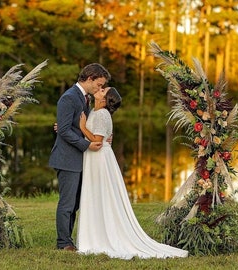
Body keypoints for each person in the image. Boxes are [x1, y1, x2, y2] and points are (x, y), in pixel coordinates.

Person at [76, 87, 188, 259]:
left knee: (101, 195)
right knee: (96, 194)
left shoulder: (102, 114)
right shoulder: (95, 110)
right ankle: (94, 232)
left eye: (103, 90)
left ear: (105, 99)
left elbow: (98, 141)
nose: (100, 89)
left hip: (99, 160)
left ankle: (101, 235)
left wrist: (83, 128)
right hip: (94, 158)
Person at [48, 63, 111, 251]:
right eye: (99, 85)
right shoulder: (68, 98)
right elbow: (65, 131)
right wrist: (87, 144)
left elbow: (70, 126)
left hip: (80, 159)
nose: (100, 89)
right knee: (67, 203)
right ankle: (63, 243)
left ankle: (69, 240)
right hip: (67, 158)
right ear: (90, 78)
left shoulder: (84, 98)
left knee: (75, 203)